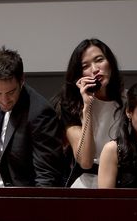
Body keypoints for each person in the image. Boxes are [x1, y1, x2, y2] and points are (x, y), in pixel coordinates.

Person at [0, 47, 65, 187]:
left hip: (24, 196)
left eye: (11, 92)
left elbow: (46, 176)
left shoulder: (40, 113)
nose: (4, 100)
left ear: (22, 81)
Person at [52, 38, 124, 188]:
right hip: (88, 181)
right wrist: (87, 106)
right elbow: (85, 161)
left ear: (110, 62)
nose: (95, 69)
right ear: (79, 74)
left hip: (123, 180)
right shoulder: (71, 105)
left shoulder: (127, 100)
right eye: (86, 66)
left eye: (99, 60)